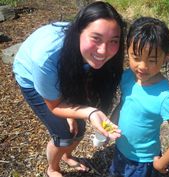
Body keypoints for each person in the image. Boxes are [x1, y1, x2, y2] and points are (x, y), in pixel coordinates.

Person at [12, 1, 125, 177]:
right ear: (78, 31)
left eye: (113, 41)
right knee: (64, 133)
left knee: (78, 128)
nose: (103, 51)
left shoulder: (92, 54)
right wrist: (89, 112)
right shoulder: (46, 57)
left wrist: (78, 112)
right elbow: (55, 106)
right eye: (96, 38)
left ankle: (67, 156)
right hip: (31, 76)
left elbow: (77, 80)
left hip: (67, 70)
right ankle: (52, 169)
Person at [109, 17, 169, 177]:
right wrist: (109, 126)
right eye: (136, 57)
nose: (142, 66)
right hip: (120, 150)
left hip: (142, 162)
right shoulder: (127, 77)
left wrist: (161, 162)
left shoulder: (165, 97)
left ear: (167, 57)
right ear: (128, 51)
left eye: (152, 60)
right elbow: (123, 104)